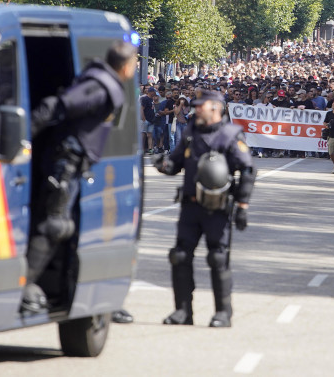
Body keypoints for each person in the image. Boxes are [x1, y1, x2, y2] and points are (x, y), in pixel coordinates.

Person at [22, 41, 138, 313]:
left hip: (73, 162)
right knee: (53, 224)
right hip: (64, 161)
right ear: (126, 65)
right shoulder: (99, 86)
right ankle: (23, 286)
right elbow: (58, 105)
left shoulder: (105, 81)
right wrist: (24, 135)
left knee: (60, 226)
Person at [154, 89, 255, 328]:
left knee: (217, 258)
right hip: (190, 206)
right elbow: (175, 163)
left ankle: (223, 312)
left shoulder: (231, 135)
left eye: (202, 105)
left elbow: (248, 170)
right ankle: (182, 311)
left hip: (217, 209)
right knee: (179, 256)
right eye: (196, 105)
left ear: (216, 109)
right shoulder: (190, 133)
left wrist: (242, 205)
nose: (196, 109)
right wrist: (164, 164)